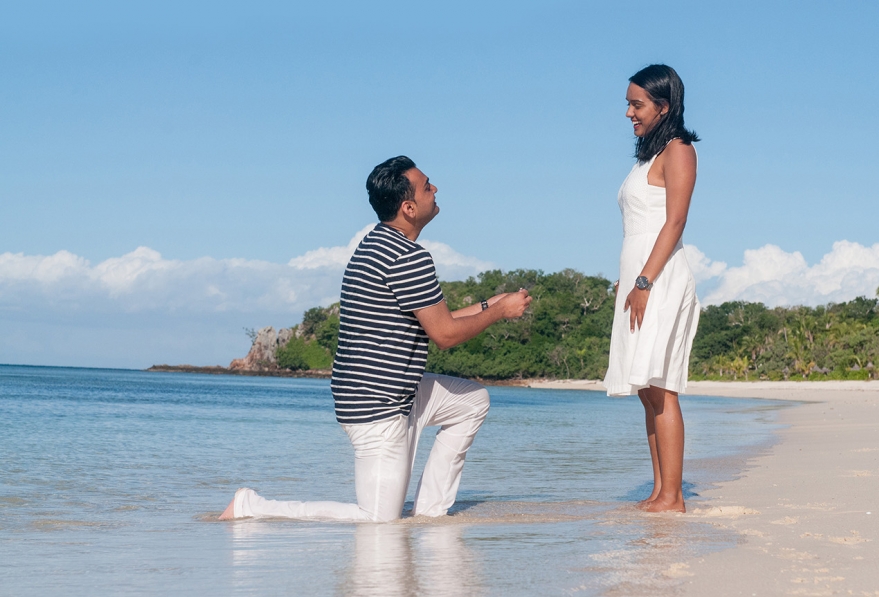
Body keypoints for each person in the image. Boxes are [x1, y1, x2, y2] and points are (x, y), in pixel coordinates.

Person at [219, 156, 531, 522]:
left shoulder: (377, 244)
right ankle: (251, 507)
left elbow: (434, 321)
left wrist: (484, 305)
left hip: (399, 391)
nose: (436, 189)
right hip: (375, 405)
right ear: (409, 207)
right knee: (378, 520)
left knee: (472, 401)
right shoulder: (407, 257)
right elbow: (445, 336)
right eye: (427, 185)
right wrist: (498, 312)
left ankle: (430, 513)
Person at [602, 65, 700, 513]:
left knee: (661, 385)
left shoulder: (679, 150)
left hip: (659, 279)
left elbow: (674, 222)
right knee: (645, 387)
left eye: (636, 104)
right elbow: (640, 226)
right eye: (628, 102)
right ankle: (661, 490)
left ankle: (673, 497)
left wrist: (644, 280)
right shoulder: (647, 158)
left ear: (663, 106)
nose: (628, 112)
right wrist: (629, 278)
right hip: (640, 278)